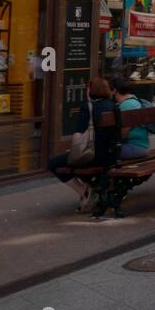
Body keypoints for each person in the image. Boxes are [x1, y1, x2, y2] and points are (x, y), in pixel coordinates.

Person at [48, 77, 122, 212]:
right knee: (75, 162)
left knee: (53, 163)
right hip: (112, 156)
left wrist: (73, 148)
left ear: (91, 90)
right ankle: (93, 187)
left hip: (92, 156)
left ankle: (83, 191)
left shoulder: (89, 107)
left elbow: (77, 136)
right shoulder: (114, 106)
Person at [111, 79, 151, 160]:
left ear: (115, 91)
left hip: (134, 147)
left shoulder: (126, 105)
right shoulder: (135, 101)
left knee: (103, 154)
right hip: (142, 146)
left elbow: (123, 133)